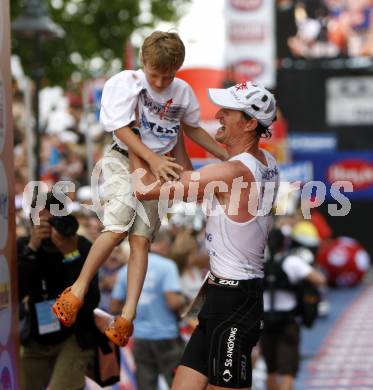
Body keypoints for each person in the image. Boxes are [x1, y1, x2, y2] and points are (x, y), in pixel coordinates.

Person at [52, 30, 228, 347]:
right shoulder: (126, 83)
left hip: (161, 167)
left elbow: (190, 130)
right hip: (124, 158)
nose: (160, 83)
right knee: (118, 225)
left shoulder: (183, 92)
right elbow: (120, 127)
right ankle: (78, 288)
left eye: (167, 77)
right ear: (143, 63)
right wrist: (151, 159)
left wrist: (224, 155)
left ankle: (127, 315)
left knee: (142, 239)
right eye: (155, 75)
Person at [130, 81, 279, 389]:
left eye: (229, 111)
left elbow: (144, 189)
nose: (219, 114)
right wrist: (179, 134)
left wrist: (133, 136)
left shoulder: (233, 172)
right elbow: (195, 188)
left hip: (234, 300)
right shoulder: (265, 164)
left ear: (250, 123)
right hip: (225, 296)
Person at [17, 192, 100, 390]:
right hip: (37, 336)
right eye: (44, 223)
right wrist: (32, 248)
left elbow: (91, 301)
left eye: (54, 222)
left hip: (74, 335)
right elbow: (17, 294)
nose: (50, 229)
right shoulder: (25, 247)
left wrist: (70, 255)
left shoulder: (81, 246)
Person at [110, 228, 186, 389]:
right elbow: (173, 302)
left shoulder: (127, 269)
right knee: (176, 384)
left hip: (140, 337)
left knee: (146, 385)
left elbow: (114, 305)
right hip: (167, 336)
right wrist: (185, 301)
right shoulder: (167, 266)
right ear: (163, 244)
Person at [260, 228, 326, 390]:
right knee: (287, 371)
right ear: (285, 243)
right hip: (287, 323)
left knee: (271, 370)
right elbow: (320, 279)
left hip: (265, 322)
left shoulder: (259, 264)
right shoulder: (292, 262)